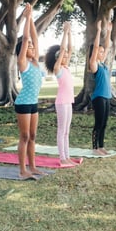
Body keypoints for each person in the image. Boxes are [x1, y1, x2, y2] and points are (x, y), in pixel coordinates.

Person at [14, 3, 45, 179]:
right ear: (24, 52)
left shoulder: (34, 63)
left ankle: (32, 167)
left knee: (33, 136)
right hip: (23, 103)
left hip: (33, 103)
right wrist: (25, 19)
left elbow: (34, 38)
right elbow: (26, 39)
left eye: (33, 47)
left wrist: (31, 17)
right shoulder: (23, 63)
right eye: (30, 48)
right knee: (24, 136)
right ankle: (22, 170)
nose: (32, 48)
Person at [44, 21, 77, 165]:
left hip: (68, 102)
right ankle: (62, 158)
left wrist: (69, 33)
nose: (65, 57)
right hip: (62, 102)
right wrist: (64, 32)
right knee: (61, 130)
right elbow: (64, 49)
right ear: (58, 57)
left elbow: (70, 49)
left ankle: (67, 157)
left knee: (67, 132)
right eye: (62, 56)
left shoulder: (66, 67)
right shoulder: (58, 69)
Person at [89, 19, 113, 156]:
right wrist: (98, 31)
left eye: (103, 52)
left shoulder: (103, 63)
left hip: (107, 96)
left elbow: (107, 47)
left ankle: (101, 146)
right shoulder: (94, 64)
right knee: (98, 123)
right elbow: (96, 48)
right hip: (98, 97)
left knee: (104, 123)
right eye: (100, 51)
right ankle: (95, 148)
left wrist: (109, 31)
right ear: (95, 52)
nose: (102, 52)